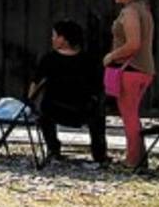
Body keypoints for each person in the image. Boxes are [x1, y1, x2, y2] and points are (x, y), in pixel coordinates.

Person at [30, 20, 108, 165]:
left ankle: (53, 149)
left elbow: (36, 82)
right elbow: (98, 87)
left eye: (54, 36)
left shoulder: (49, 59)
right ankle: (99, 154)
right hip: (83, 111)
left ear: (63, 39)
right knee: (98, 115)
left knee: (44, 111)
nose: (52, 39)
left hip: (54, 109)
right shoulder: (89, 60)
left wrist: (30, 102)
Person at [103, 0, 155, 169]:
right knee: (132, 114)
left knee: (129, 115)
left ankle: (132, 160)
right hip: (143, 68)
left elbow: (134, 44)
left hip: (131, 70)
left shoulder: (131, 12)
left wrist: (112, 56)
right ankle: (139, 157)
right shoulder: (143, 9)